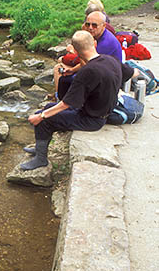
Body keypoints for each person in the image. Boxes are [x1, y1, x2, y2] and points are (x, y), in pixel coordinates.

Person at [20, 31, 136, 171]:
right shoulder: (110, 60)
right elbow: (133, 73)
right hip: (100, 111)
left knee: (44, 120)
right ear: (94, 43)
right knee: (49, 106)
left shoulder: (87, 72)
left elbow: (66, 103)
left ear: (74, 50)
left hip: (92, 119)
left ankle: (41, 159)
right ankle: (40, 148)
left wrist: (41, 116)